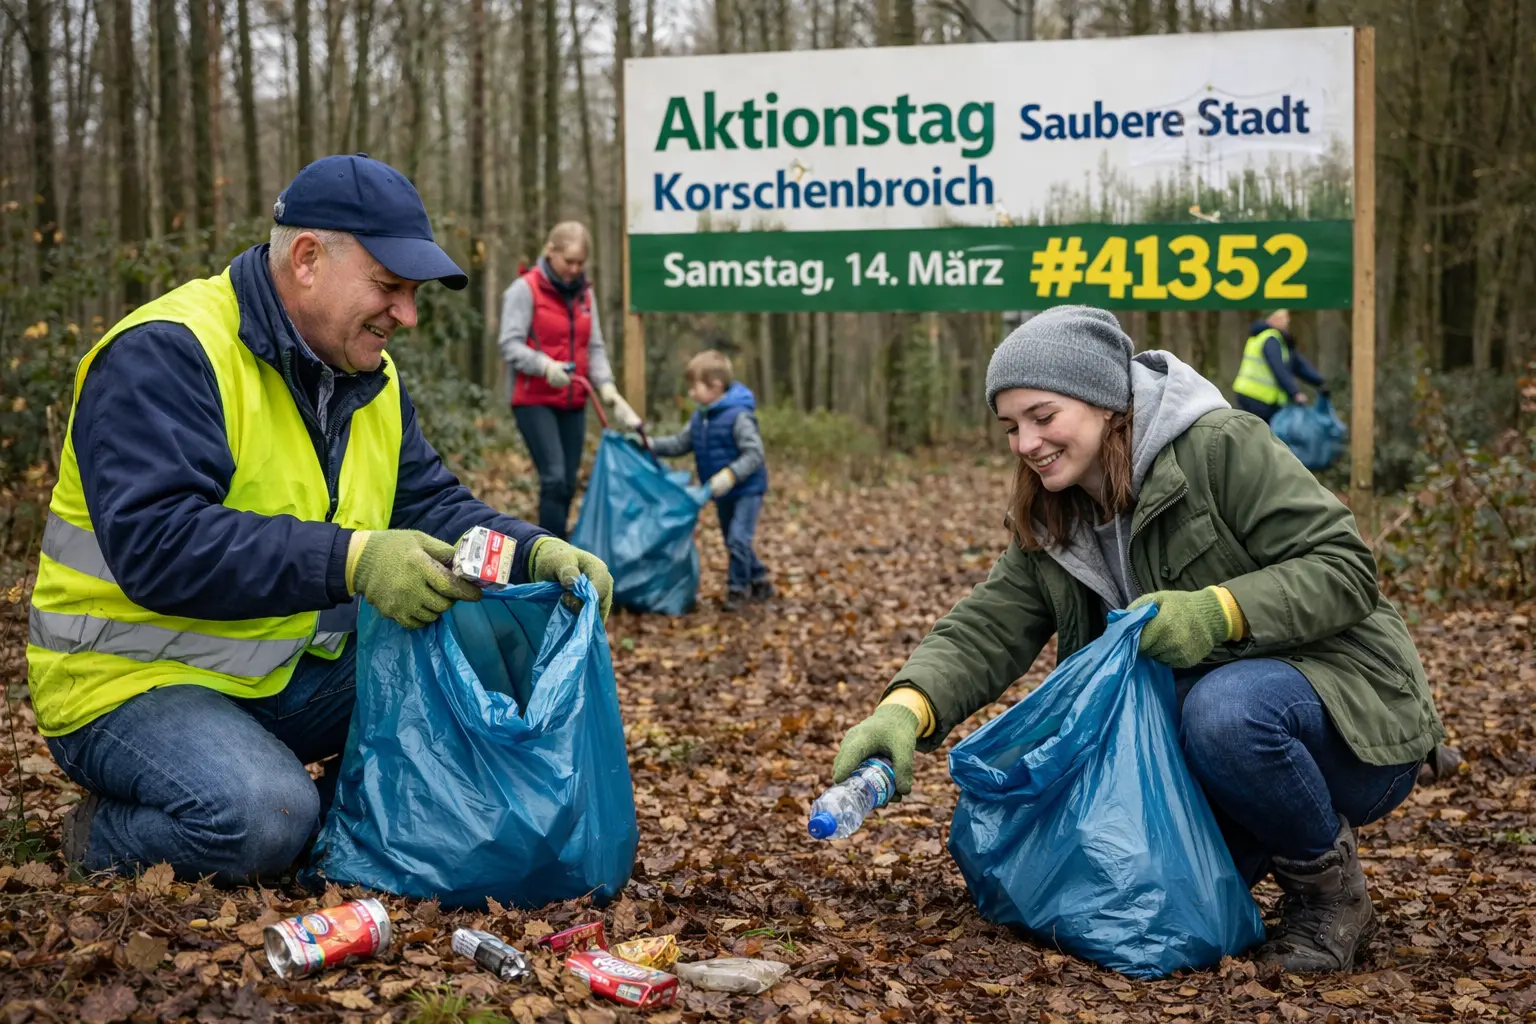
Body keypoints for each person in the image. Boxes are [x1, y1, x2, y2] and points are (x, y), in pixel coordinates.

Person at [28, 154, 613, 885]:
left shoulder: (369, 375)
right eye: (389, 287)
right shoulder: (169, 351)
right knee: (261, 818)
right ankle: (104, 836)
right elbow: (159, 544)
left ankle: (329, 818)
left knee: (489, 682)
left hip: (281, 672)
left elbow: (430, 502)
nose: (408, 315)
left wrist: (535, 553)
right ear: (307, 258)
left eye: (413, 293)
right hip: (126, 682)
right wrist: (355, 559)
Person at [832, 306, 1442, 973]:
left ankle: (1333, 899)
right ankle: (1260, 838)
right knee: (1153, 897)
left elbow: (1346, 568)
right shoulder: (1054, 510)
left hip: (1350, 722)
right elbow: (990, 622)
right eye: (1010, 427)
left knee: (1225, 712)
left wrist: (1219, 611)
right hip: (1204, 744)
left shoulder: (1220, 446)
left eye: (1043, 416)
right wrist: (906, 707)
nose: (1026, 444)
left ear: (1104, 404)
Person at [499, 222, 641, 538]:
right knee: (553, 477)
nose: (574, 269)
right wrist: (544, 365)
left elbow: (595, 345)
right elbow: (509, 344)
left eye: (580, 263)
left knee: (567, 484)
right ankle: (546, 559)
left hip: (573, 399)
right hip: (533, 399)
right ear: (551, 251)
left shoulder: (585, 294)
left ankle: (558, 545)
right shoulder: (524, 289)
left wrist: (607, 387)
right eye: (569, 261)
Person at [646, 350, 772, 610]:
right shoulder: (700, 417)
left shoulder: (738, 416)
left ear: (715, 387)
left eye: (695, 387)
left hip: (747, 489)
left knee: (738, 538)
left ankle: (737, 590)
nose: (691, 393)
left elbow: (755, 453)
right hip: (722, 491)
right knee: (733, 540)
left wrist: (731, 475)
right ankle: (759, 578)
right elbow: (681, 443)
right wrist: (649, 445)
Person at [1231, 308, 1327, 422]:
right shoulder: (1270, 339)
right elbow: (1278, 368)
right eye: (1283, 317)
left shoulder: (1276, 339)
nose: (1287, 321)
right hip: (1258, 397)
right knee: (1265, 435)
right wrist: (1295, 393)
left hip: (1252, 395)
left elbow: (1298, 365)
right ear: (1272, 319)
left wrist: (1319, 381)